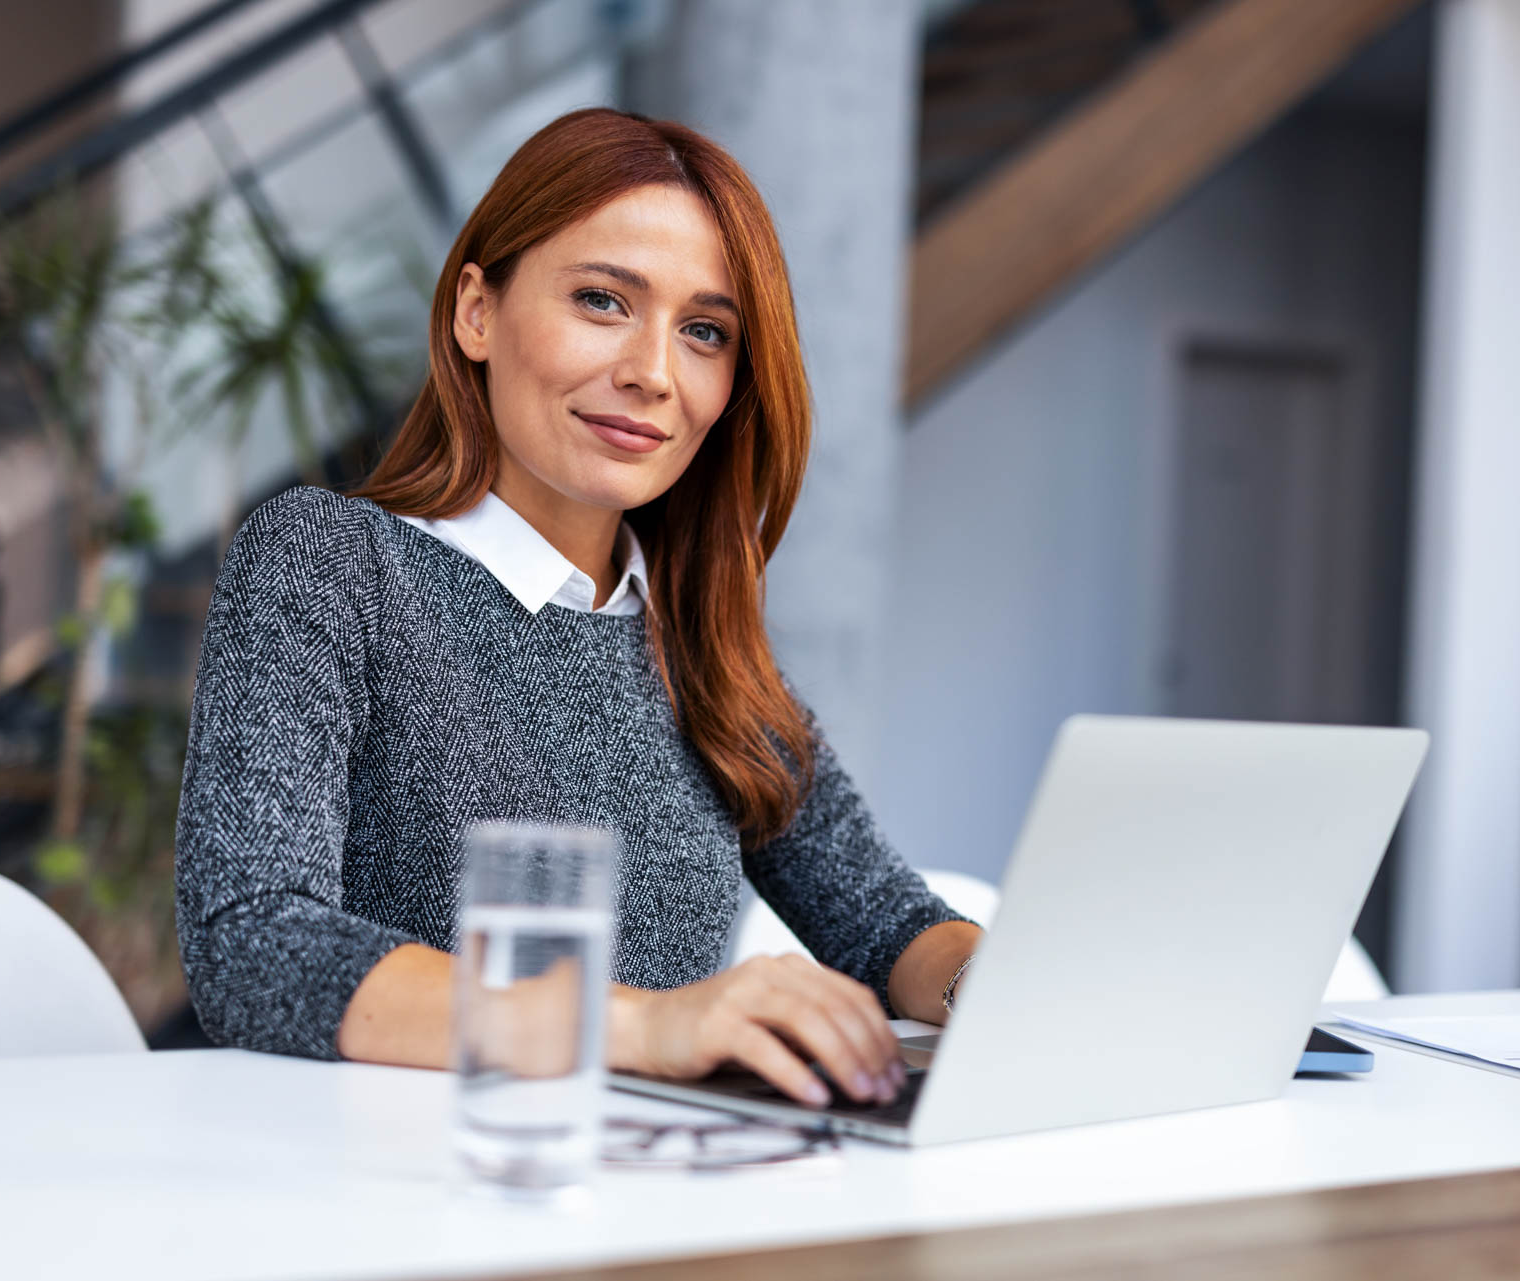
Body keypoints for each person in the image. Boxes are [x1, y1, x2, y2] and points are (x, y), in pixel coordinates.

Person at [173, 107, 980, 1110]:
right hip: (398, 1189)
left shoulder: (691, 637)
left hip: (646, 1189)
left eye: (704, 331)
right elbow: (251, 942)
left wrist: (997, 986)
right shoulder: (332, 560)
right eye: (603, 300)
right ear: (477, 311)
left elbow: (887, 925)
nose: (652, 373)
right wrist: (640, 1023)